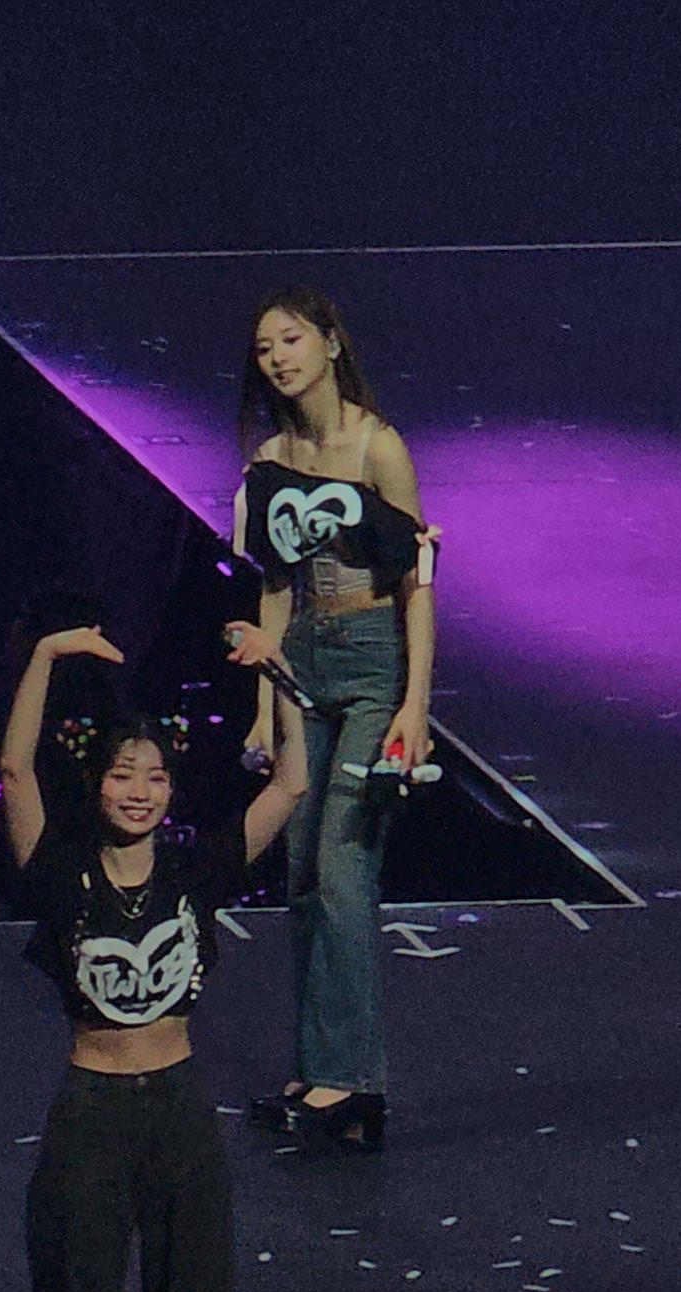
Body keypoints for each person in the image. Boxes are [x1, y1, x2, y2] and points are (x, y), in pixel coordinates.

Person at [1, 623, 306, 1292]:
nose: (140, 791)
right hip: (91, 1112)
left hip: (179, 1112)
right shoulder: (61, 872)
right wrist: (44, 660)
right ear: (97, 784)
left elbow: (291, 783)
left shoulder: (194, 871)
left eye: (157, 777)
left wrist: (277, 673)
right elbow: (13, 769)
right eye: (123, 774)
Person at [229, 286, 439, 1151]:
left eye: (290, 339)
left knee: (344, 868)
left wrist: (415, 705)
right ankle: (323, 1068)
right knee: (302, 874)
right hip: (302, 661)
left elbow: (417, 584)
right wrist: (263, 707)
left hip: (371, 663)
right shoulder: (271, 460)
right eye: (264, 347)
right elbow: (274, 591)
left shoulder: (378, 447)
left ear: (329, 343)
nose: (278, 358)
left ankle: (353, 1080)